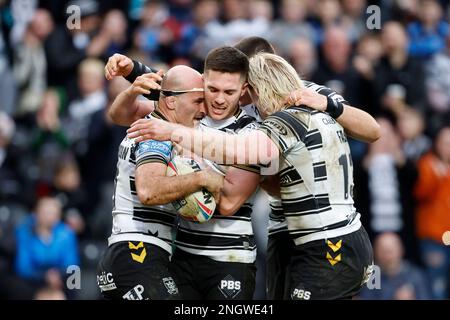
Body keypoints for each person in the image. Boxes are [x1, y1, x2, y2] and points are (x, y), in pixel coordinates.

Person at [127, 52, 377, 300]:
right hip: (338, 237)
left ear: (256, 89)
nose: (250, 107)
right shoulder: (314, 101)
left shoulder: (289, 117)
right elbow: (373, 130)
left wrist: (173, 132)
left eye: (247, 96)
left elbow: (241, 149)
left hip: (328, 243)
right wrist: (134, 71)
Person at [96, 65, 224, 300]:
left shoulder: (153, 123)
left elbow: (118, 113)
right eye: (198, 101)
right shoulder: (156, 136)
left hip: (128, 256)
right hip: (138, 254)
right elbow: (148, 191)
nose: (204, 109)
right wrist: (201, 178)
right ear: (172, 103)